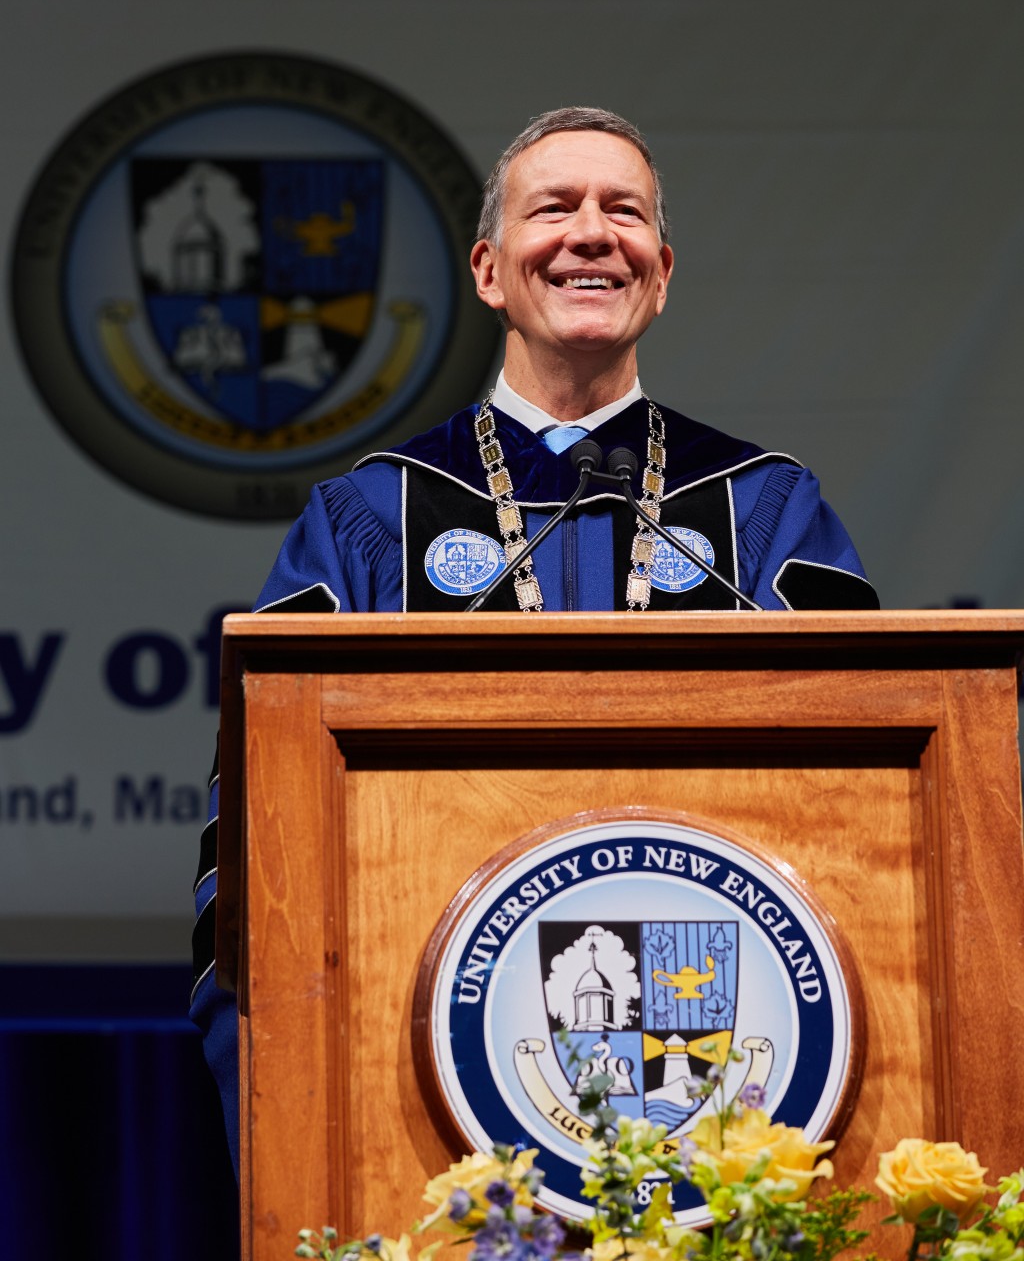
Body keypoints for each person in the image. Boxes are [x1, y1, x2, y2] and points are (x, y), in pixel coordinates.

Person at [190, 106, 877, 1169]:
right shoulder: (371, 516)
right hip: (424, 1098)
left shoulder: (762, 510)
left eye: (625, 212)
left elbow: (868, 826)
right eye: (553, 208)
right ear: (488, 270)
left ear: (659, 268)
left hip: (740, 1077)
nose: (592, 233)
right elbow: (259, 851)